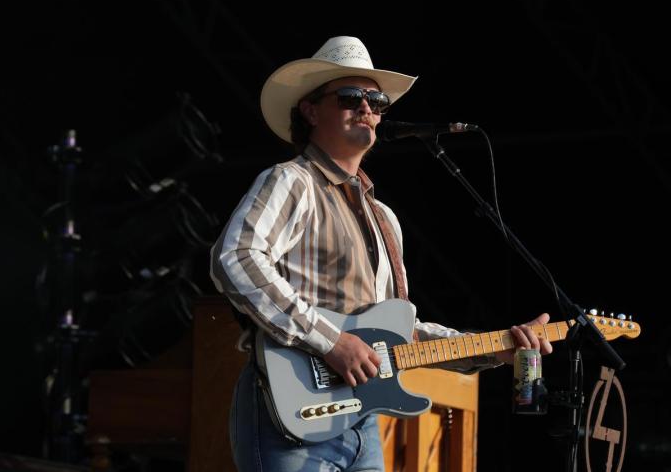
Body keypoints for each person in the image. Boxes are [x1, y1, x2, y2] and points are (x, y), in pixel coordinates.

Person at [210, 36, 553, 472]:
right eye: (350, 97)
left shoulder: (383, 218)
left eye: (377, 101)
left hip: (362, 424)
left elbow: (401, 334)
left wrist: (495, 349)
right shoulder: (292, 181)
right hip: (290, 416)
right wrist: (332, 342)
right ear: (310, 111)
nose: (367, 108)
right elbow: (236, 258)